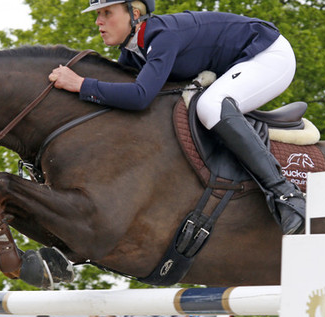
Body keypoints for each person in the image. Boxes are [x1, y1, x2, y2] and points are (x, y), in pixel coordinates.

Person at [48, 0, 305, 235]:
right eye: (97, 14)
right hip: (240, 62)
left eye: (106, 13)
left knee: (210, 106)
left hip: (268, 55)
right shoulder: (132, 52)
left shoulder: (161, 36)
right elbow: (124, 98)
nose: (98, 22)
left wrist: (81, 84)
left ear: (134, 14)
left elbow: (139, 96)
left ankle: (286, 195)